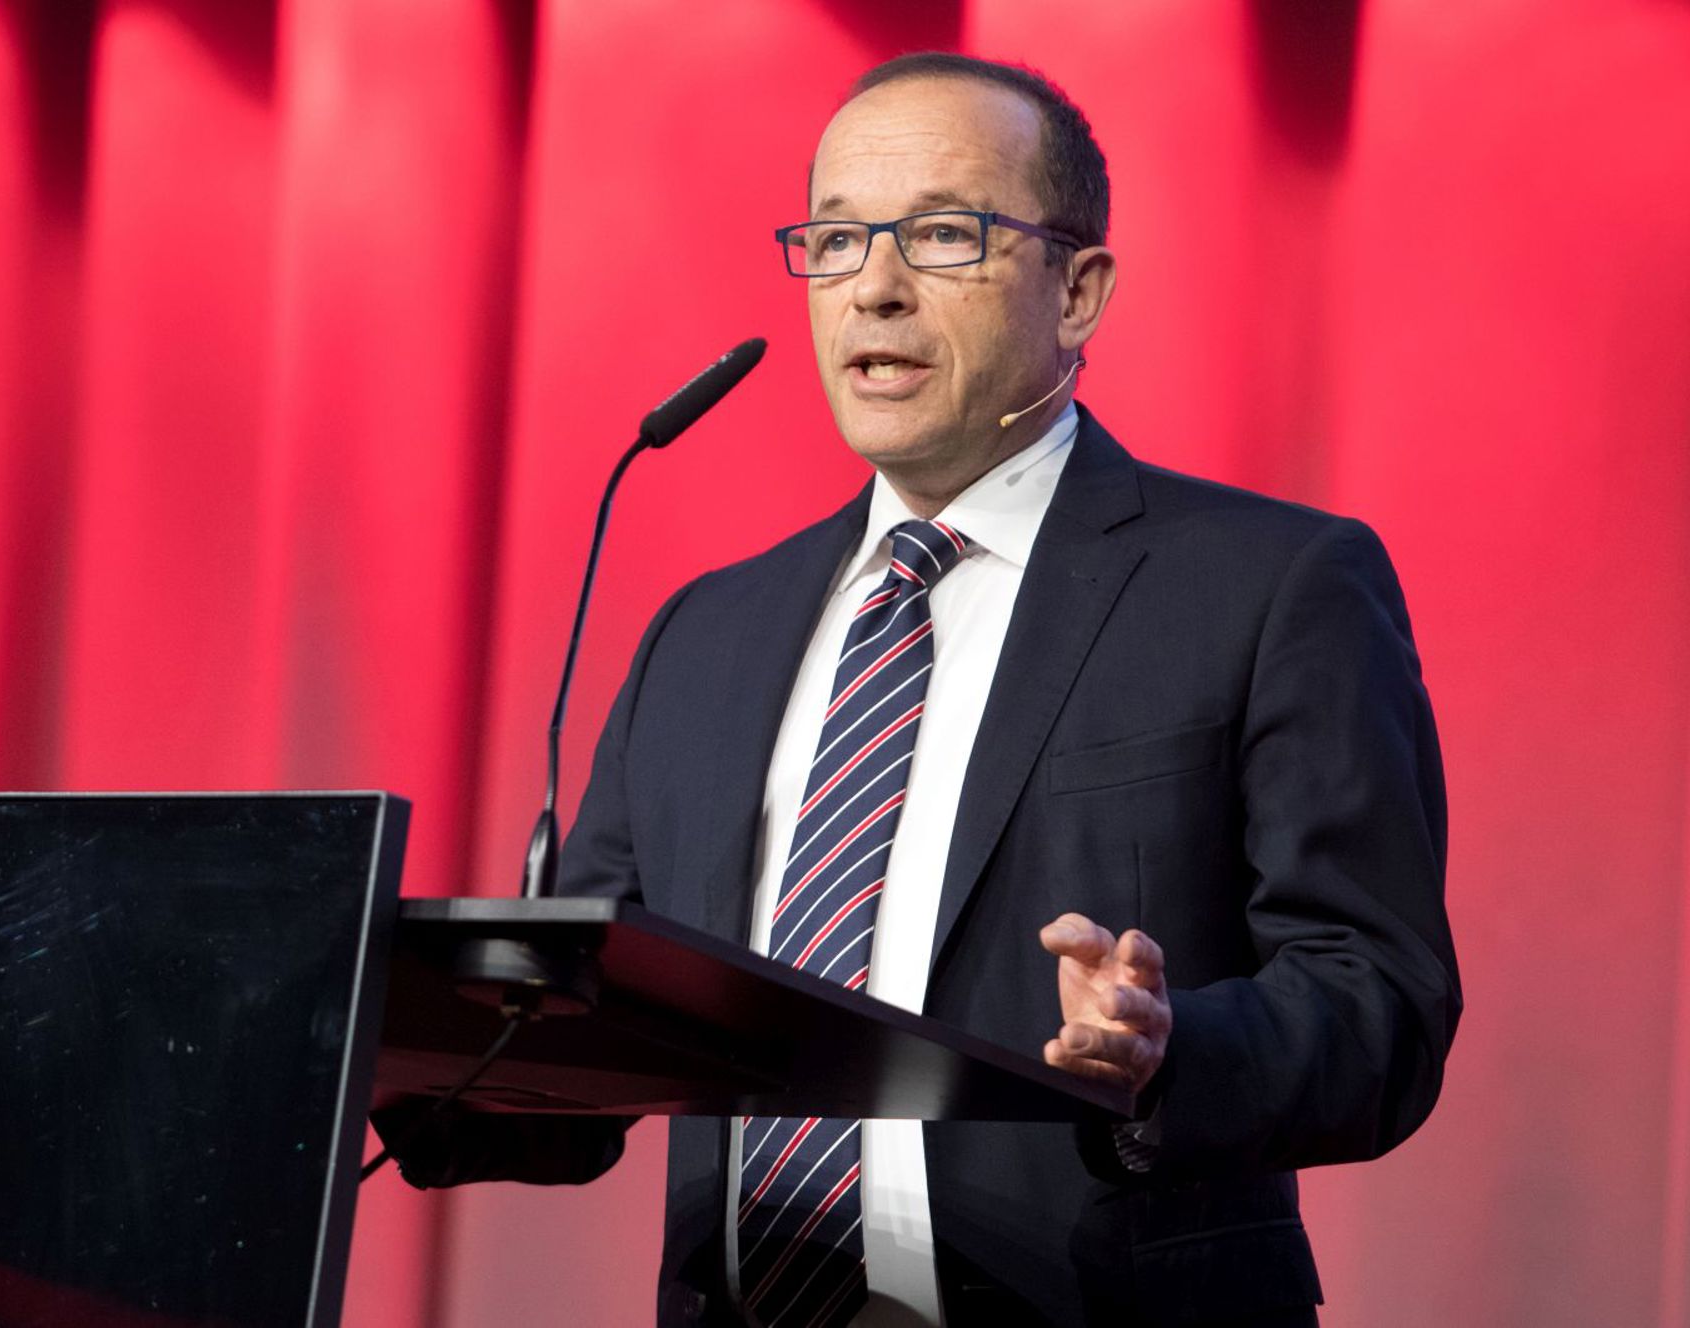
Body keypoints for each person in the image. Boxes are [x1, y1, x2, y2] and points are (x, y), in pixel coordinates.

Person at [387, 53, 1461, 1328]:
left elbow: (1376, 998)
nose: (874, 287)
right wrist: (359, 1041)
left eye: (943, 234)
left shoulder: (1266, 586)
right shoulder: (704, 634)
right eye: (835, 240)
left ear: (1077, 290)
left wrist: (1168, 1049)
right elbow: (582, 1042)